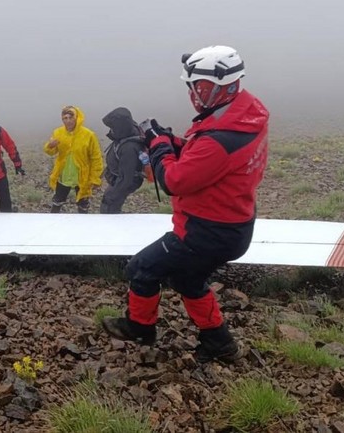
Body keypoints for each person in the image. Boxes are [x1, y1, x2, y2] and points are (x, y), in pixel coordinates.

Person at [102, 45, 269, 364]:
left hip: (204, 232)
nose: (195, 94)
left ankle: (140, 328)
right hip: (232, 225)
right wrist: (174, 142)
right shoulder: (242, 119)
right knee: (187, 279)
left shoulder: (221, 138)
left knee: (142, 268)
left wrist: (159, 145)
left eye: (201, 87)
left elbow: (173, 180)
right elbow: (203, 156)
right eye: (194, 87)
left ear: (223, 85)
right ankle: (219, 343)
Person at [43, 106, 103, 213]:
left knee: (83, 205)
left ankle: (83, 222)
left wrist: (95, 178)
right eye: (65, 118)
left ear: (77, 118)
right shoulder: (58, 132)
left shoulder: (88, 135)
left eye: (71, 117)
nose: (68, 121)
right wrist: (50, 146)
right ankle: (52, 222)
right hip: (63, 175)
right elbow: (51, 152)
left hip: (82, 176)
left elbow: (96, 158)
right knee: (57, 201)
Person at [100, 107, 146, 213]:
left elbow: (126, 178)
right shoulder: (127, 133)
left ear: (120, 127)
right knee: (110, 204)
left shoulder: (129, 148)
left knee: (108, 208)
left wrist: (112, 196)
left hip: (123, 182)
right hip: (119, 179)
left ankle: (111, 221)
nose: (111, 130)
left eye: (113, 127)